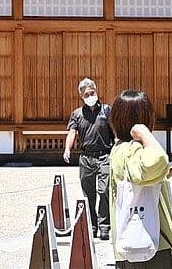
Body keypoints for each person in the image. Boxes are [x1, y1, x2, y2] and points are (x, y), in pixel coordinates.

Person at [105, 88, 172, 264]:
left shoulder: (119, 149)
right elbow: (157, 160)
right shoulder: (130, 149)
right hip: (148, 243)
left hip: (132, 243)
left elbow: (139, 180)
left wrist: (165, 174)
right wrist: (142, 132)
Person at [65, 76, 116, 240]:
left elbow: (114, 131)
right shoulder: (77, 114)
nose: (90, 96)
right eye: (86, 94)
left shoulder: (106, 110)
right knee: (89, 194)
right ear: (81, 96)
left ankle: (104, 226)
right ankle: (92, 225)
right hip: (86, 157)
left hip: (104, 156)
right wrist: (67, 148)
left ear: (97, 91)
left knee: (104, 190)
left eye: (92, 93)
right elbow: (72, 132)